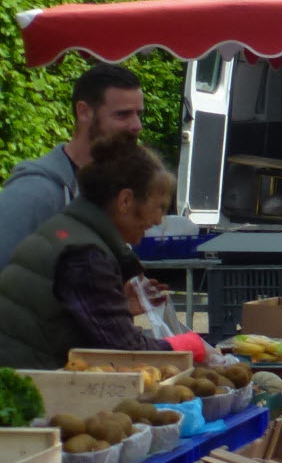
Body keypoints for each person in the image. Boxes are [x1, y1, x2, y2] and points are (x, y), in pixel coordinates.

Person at [0, 137, 208, 368]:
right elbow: (126, 351)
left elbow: (65, 323)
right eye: (158, 206)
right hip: (27, 388)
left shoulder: (68, 229)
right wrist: (190, 345)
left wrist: (117, 305)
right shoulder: (86, 254)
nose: (159, 219)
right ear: (126, 201)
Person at [0, 64, 144, 266]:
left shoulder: (114, 189)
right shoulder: (36, 192)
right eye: (122, 115)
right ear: (84, 112)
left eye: (139, 114)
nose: (136, 125)